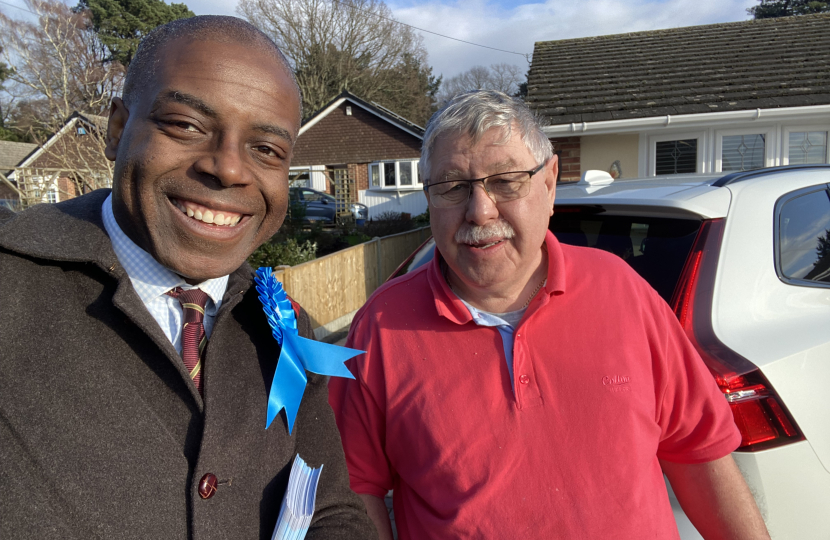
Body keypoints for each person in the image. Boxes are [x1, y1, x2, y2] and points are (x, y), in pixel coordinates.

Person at [329, 90, 770, 539]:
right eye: (453, 186)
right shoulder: (381, 328)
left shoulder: (623, 292)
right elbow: (356, 490)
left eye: (505, 181)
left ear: (550, 181)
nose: (480, 211)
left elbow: (698, 451)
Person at [0, 16, 376, 540]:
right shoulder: (11, 286)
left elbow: (331, 512)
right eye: (186, 124)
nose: (228, 169)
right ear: (115, 129)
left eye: (266, 150)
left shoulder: (287, 331)